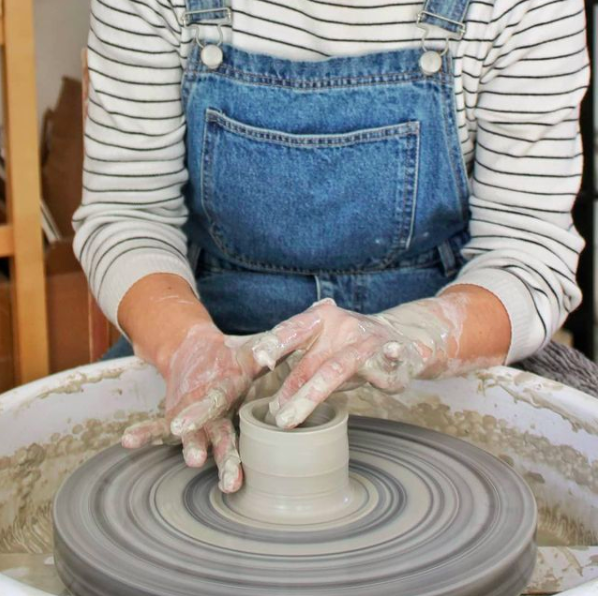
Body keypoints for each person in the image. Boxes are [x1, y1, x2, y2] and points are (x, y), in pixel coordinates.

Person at [74, 0, 590, 493]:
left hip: (434, 336)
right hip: (212, 328)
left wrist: (408, 337)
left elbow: (528, 251)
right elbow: (130, 212)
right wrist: (186, 346)